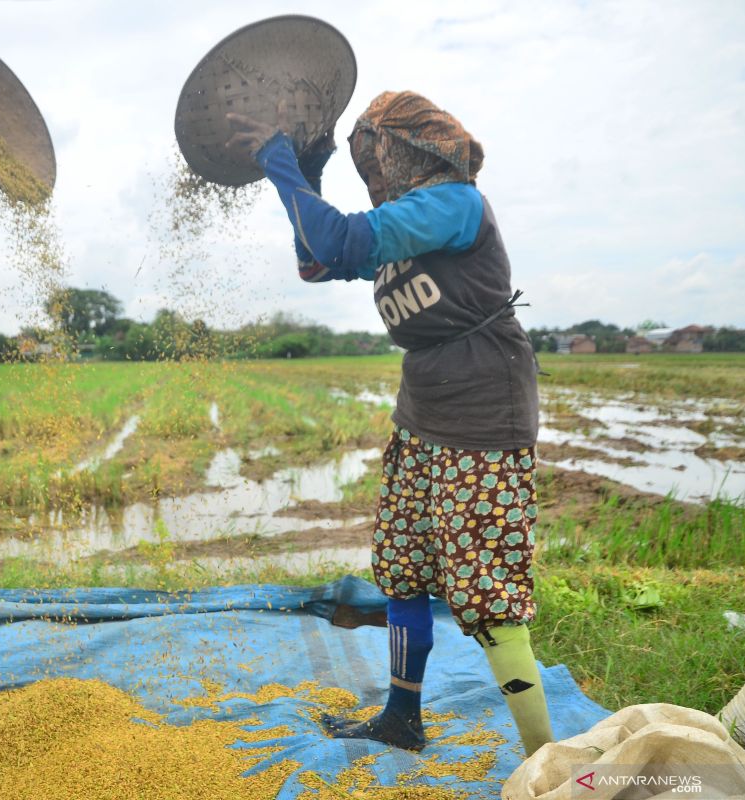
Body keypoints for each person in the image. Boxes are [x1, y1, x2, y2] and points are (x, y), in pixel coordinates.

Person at [226, 91, 553, 757]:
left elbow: (339, 239)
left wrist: (279, 164)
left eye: (376, 153)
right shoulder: (402, 219)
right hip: (423, 410)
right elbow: (317, 261)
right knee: (403, 569)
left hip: (483, 414)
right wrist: (305, 177)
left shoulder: (453, 204)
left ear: (410, 149)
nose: (372, 171)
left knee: (487, 590)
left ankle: (547, 760)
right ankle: (402, 716)